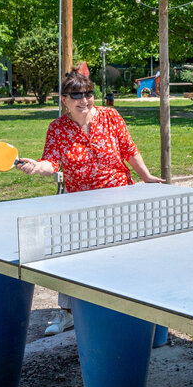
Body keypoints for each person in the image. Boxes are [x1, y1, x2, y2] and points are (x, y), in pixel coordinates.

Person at [16, 71, 163, 335]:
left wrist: (147, 177)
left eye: (89, 94)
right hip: (79, 202)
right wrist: (38, 167)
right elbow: (52, 163)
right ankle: (68, 312)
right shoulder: (57, 128)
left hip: (119, 196)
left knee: (123, 254)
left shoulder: (110, 116)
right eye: (77, 96)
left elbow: (129, 149)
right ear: (64, 100)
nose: (84, 100)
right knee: (69, 256)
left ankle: (134, 305)